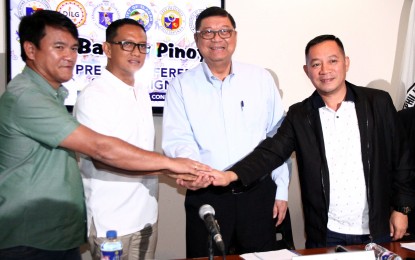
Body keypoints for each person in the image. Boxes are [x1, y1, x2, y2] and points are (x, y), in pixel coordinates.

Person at [0, 10, 210, 260]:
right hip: (53, 233)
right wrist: (172, 166)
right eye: (59, 47)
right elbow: (101, 152)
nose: (70, 56)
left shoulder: (137, 92)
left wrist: (175, 169)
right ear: (31, 50)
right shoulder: (46, 96)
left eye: (74, 48)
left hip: (127, 218)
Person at [206, 34, 415, 249]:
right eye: (316, 64)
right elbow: (271, 152)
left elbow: (402, 159)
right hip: (327, 232)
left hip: (377, 228)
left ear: (346, 63)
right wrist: (231, 175)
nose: (325, 70)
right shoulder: (300, 115)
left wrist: (402, 208)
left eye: (332, 61)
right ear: (307, 71)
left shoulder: (378, 103)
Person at [162, 6, 290, 257]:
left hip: (258, 193)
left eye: (224, 31)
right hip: (207, 194)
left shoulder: (260, 78)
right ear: (197, 40)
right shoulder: (181, 85)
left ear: (235, 37)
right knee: (205, 255)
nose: (217, 38)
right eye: (208, 33)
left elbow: (277, 139)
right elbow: (178, 139)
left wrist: (282, 190)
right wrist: (197, 173)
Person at [74, 18, 158, 260]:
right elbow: (104, 159)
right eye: (128, 44)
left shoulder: (141, 92)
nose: (137, 52)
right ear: (107, 49)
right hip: (111, 223)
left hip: (146, 216)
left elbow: (141, 150)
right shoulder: (94, 96)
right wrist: (169, 167)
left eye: (142, 46)